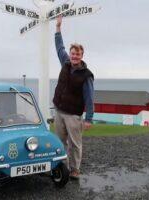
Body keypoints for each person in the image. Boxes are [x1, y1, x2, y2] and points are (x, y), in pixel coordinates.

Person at [53, 16, 94, 179]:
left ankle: (74, 169)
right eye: (72, 54)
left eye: (77, 54)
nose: (74, 56)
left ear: (82, 55)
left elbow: (90, 98)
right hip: (59, 110)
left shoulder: (86, 75)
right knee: (59, 141)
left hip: (74, 115)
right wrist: (58, 27)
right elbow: (59, 46)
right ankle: (60, 166)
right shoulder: (65, 62)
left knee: (75, 144)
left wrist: (89, 118)